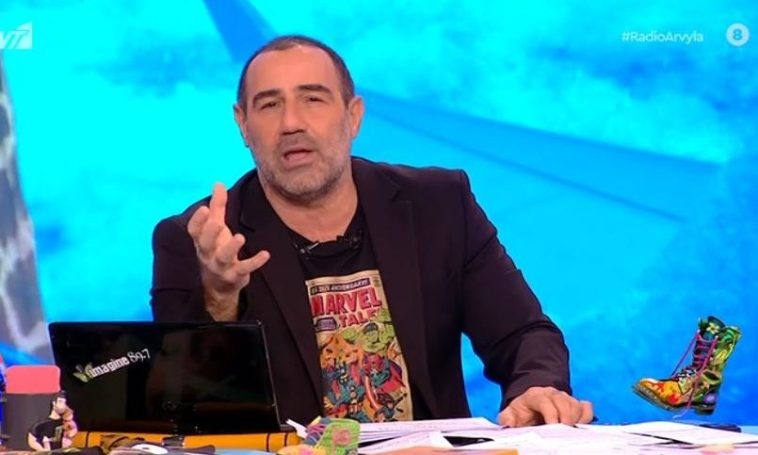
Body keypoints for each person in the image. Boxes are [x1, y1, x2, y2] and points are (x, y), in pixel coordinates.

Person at [150, 34, 593, 427]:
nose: (291, 123)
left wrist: (536, 388)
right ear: (243, 125)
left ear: (354, 116)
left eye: (313, 99)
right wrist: (219, 299)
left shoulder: (439, 205)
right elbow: (183, 410)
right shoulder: (199, 239)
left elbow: (522, 333)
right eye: (269, 105)